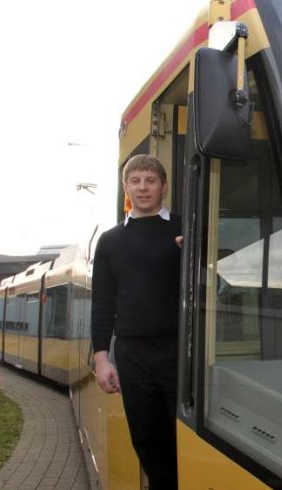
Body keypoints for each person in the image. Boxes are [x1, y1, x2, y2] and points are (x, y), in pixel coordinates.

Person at [91, 154, 182, 490]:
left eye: (151, 180)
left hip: (178, 352)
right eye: (136, 181)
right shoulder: (111, 241)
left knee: (183, 441)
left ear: (164, 187)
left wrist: (193, 257)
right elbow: (101, 303)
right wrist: (102, 359)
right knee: (147, 442)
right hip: (131, 354)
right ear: (126, 188)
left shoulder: (184, 229)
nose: (143, 187)